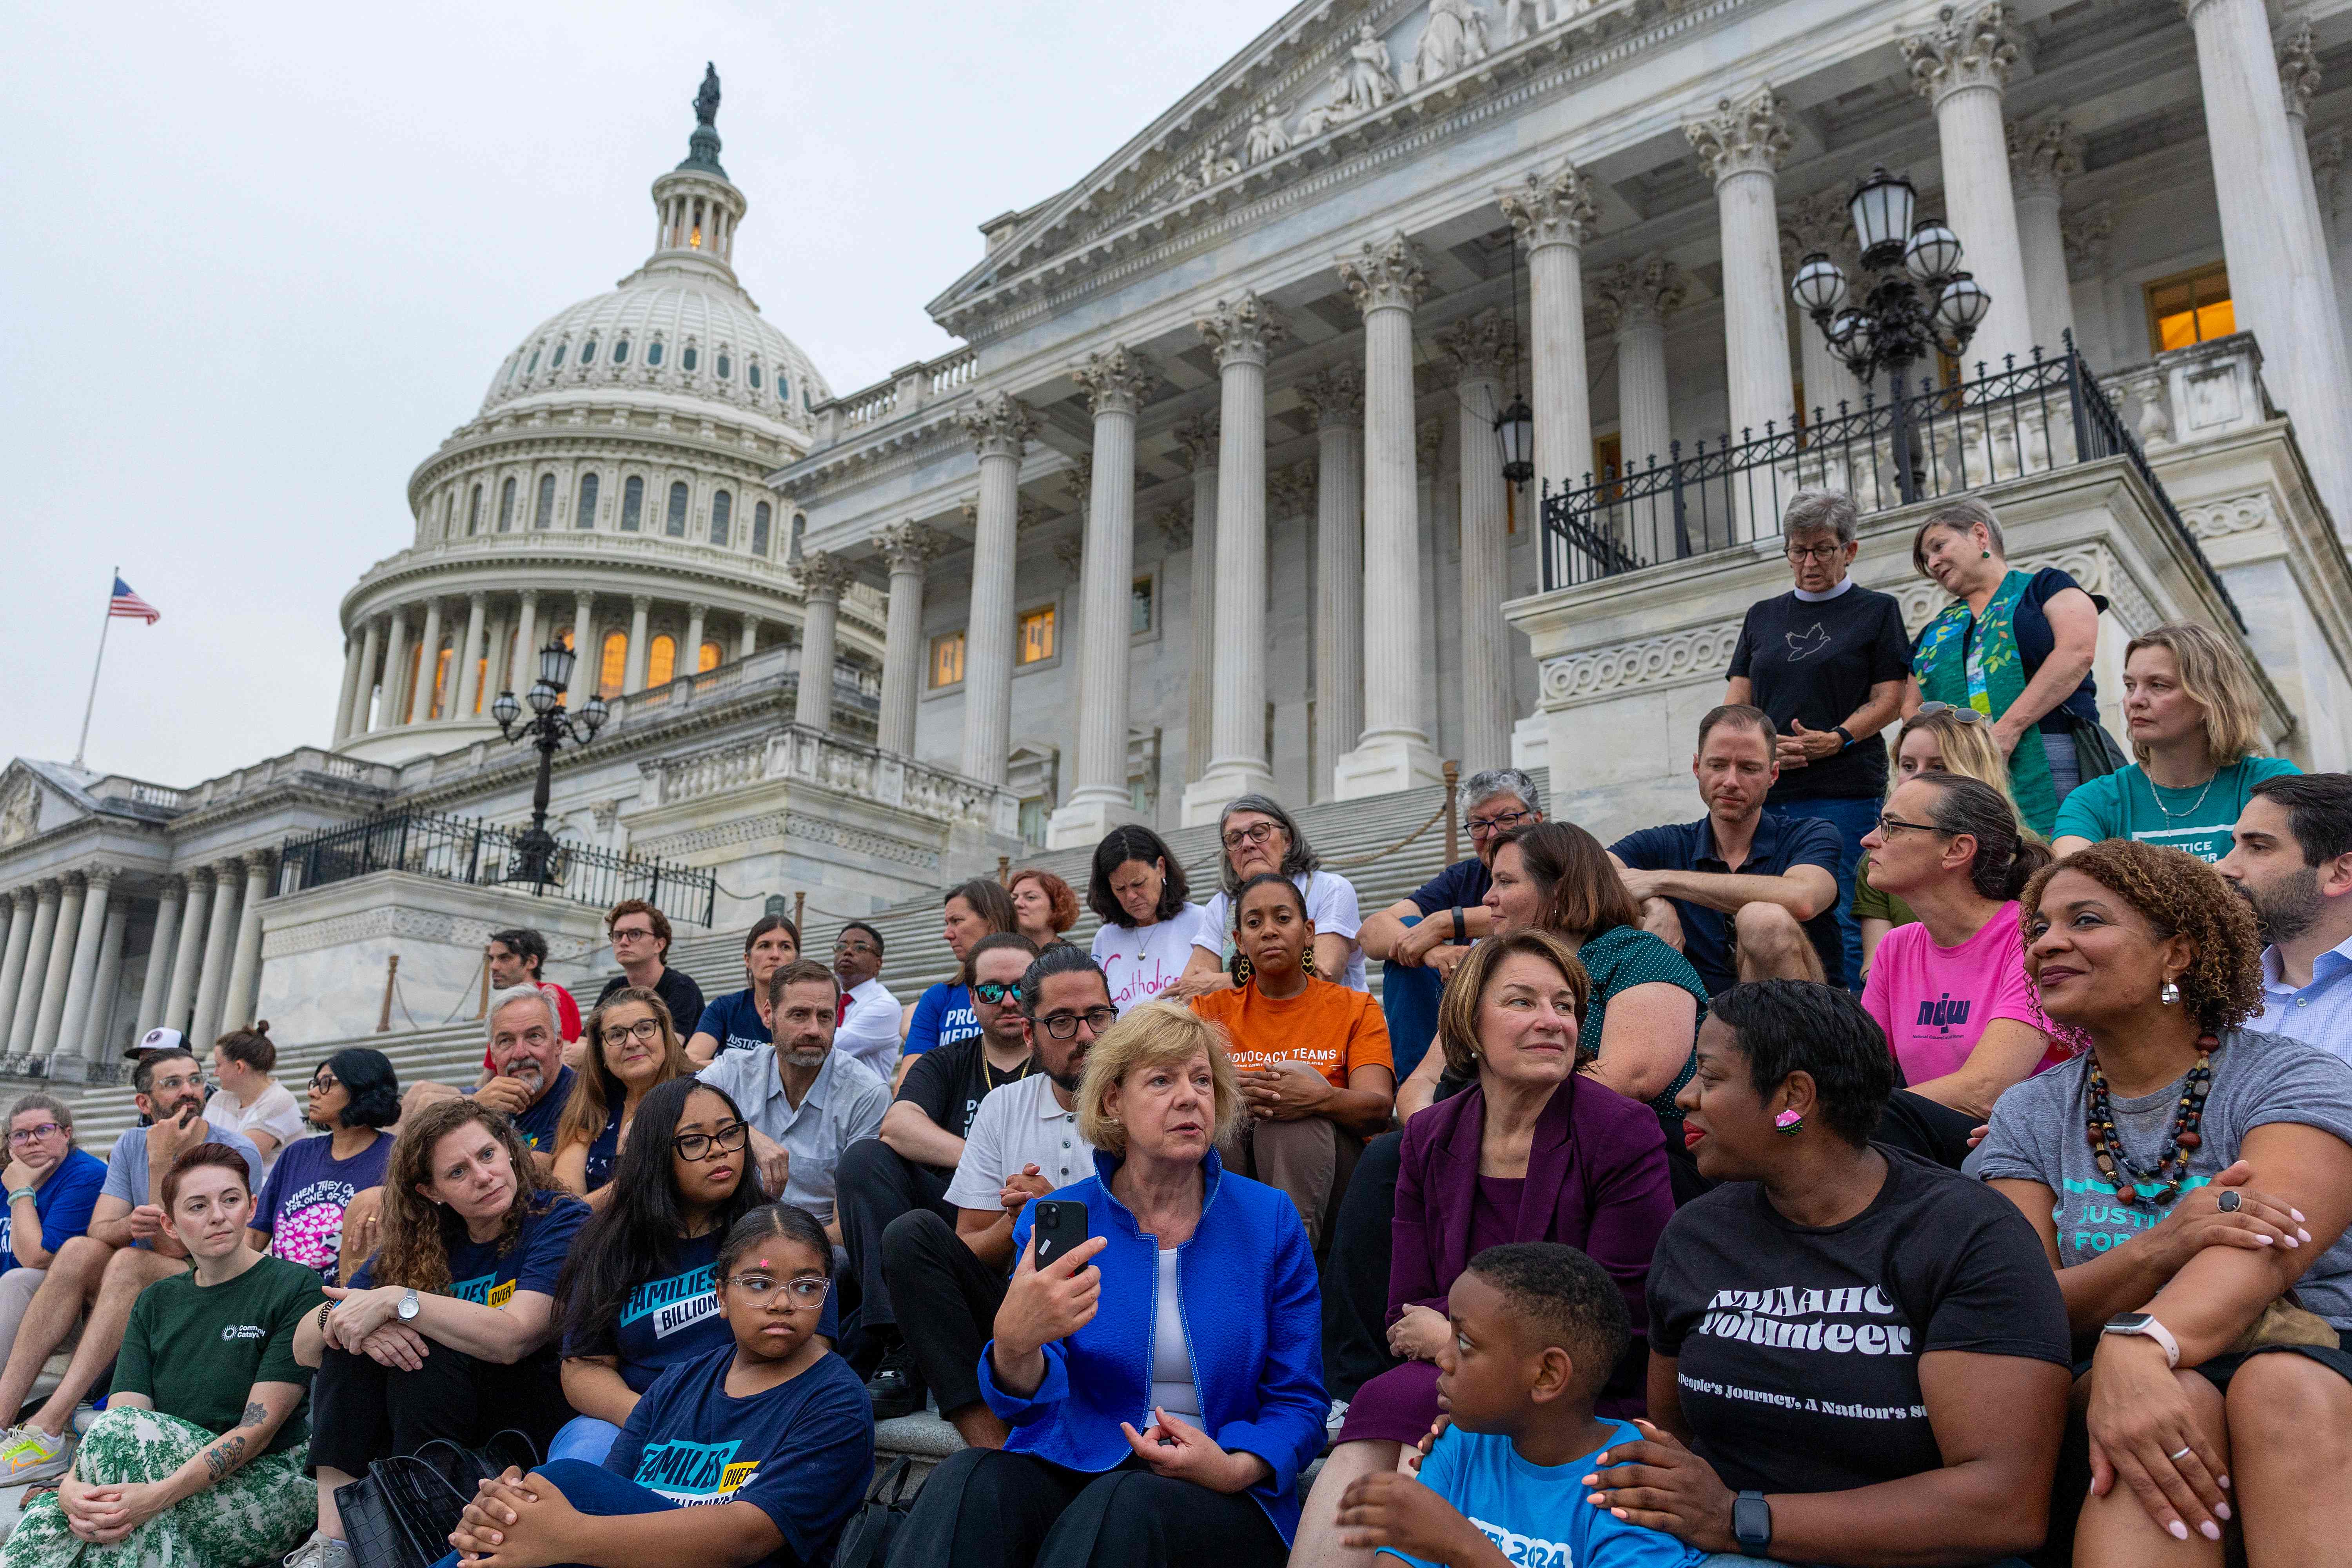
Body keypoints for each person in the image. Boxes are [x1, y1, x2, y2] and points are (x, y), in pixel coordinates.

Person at [1590, 980, 2070, 1566]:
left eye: (1711, 1077)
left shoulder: (1967, 1236)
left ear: (1795, 1098)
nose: (1686, 1097)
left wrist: (1740, 1518)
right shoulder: (1697, 1235)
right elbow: (1676, 1443)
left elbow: (2002, 1506)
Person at [1977, 840, 2352, 1564]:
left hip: (2313, 1357)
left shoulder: (2292, 1079)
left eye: (2085, 921)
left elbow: (2266, 1244)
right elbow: (2024, 1306)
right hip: (2113, 1382)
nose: (2047, 944)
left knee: (2279, 1384)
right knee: (2175, 1405)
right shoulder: (2029, 1112)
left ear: (2177, 954)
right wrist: (2162, 1247)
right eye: (2039, 930)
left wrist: (2143, 1341)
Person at [885, 1003, 1325, 1568]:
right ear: (1114, 1101)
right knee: (970, 1477)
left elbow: (1300, 1400)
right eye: (1162, 1080)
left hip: (1221, 1488)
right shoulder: (1061, 1218)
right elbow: (1028, 1405)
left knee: (1127, 1502)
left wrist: (1236, 1466)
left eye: (1201, 1080)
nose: (1189, 1097)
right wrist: (1015, 1349)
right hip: (1081, 1467)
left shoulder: (1268, 1219)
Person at [1294, 930, 1672, 1568]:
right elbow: (1404, 1312)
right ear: (1469, 1024)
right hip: (1454, 1384)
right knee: (1394, 1402)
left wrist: (1454, 1338)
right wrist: (1465, 1341)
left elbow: (1618, 1316)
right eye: (1523, 1002)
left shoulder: (1621, 1132)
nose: (1552, 1021)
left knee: (1409, 1399)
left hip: (1578, 1402)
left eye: (1565, 1005)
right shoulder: (1431, 1136)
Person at [444, 1206, 872, 1568]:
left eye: (806, 1286)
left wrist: (569, 1535)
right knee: (518, 1513)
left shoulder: (837, 1399)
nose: (783, 1302)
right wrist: (501, 1515)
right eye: (759, 1284)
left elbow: (750, 1535)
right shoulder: (679, 1382)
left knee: (564, 1482)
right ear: (721, 1296)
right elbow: (610, 1488)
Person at [291, 1098, 593, 1568]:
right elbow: (304, 1347)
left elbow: (515, 1337)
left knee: (421, 1344)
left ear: (510, 1151)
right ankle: (333, 1546)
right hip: (430, 1413)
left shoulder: (556, 1218)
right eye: (457, 1172)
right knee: (356, 1346)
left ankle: (426, 1535)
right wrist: (346, 1323)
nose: (483, 1176)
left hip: (526, 1412)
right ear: (430, 1191)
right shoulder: (427, 1239)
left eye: (488, 1154)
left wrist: (398, 1303)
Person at [0, 1145, 325, 1568]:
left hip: (265, 1483)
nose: (218, 1215)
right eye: (198, 1205)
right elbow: (122, 1419)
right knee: (87, 1515)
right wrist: (70, 1487)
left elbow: (257, 1431)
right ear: (170, 1224)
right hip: (161, 1473)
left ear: (252, 1206)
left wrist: (151, 1497)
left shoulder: (293, 1286)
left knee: (117, 1516)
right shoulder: (157, 1300)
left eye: (231, 1199)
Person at [1330, 1244, 1701, 1568]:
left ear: (1546, 1376)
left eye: (1464, 1343)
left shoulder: (1631, 1483)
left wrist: (1464, 1547)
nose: (1442, 1358)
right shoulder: (1459, 1445)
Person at [877, 945, 1110, 1449]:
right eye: (1063, 1022)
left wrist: (1057, 1212)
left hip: (1114, 1302)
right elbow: (971, 1246)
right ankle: (992, 1445)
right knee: (911, 1236)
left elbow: (1158, 1234)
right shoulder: (1003, 1106)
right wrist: (1019, 1222)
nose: (1087, 1035)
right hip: (1017, 1313)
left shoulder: (1143, 1100)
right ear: (1030, 1033)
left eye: (1097, 1016)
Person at [0, 1048, 263, 1484]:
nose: (188, 1091)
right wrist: (126, 1222)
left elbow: (175, 1246)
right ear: (145, 1102)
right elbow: (101, 1228)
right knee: (80, 1251)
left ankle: (47, 1429)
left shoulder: (234, 1149)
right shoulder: (128, 1143)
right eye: (172, 1083)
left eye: (195, 1080)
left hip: (216, 1285)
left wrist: (162, 1159)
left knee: (128, 1261)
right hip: (150, 1284)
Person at [549, 1078, 839, 1466]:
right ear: (655, 1153)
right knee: (582, 1458)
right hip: (634, 1418)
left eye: (728, 1133)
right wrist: (653, 1421)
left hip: (751, 1414)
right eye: (694, 1141)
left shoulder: (783, 1235)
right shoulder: (608, 1245)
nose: (719, 1150)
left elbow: (813, 1349)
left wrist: (719, 1420)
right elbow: (585, 1367)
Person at [841, 932, 1038, 1421]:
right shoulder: (947, 1061)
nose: (1009, 1000)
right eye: (992, 990)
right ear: (972, 999)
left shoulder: (1063, 1060)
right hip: (946, 1230)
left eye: (1022, 986)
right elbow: (899, 1124)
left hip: (1031, 1226)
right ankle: (903, 1342)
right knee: (865, 1159)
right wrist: (985, 1160)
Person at [1725, 490, 1913, 989]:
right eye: (1798, 550)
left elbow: (1891, 697)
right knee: (1762, 909)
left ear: (1849, 550)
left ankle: (1858, 1022)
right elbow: (1737, 702)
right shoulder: (1761, 616)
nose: (1809, 562)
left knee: (1849, 911)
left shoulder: (1877, 611)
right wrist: (1759, 749)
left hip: (1845, 789)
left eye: (1823, 549)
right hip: (1770, 791)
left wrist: (1839, 738)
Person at [1190, 874, 1393, 1249]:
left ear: (1310, 931)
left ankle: (1290, 1257)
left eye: (1283, 919)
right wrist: (1230, 1090)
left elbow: (1379, 1108)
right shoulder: (1207, 1012)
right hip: (1239, 1162)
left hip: (1333, 1179)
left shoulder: (1354, 1007)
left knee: (1292, 1100)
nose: (1269, 931)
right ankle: (1222, 1247)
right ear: (1239, 942)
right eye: (1254, 923)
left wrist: (1316, 1097)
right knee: (1216, 1098)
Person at [1857, 772, 2060, 1119]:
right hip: (1935, 1140)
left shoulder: (2031, 936)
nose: (1869, 840)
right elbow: (1857, 1073)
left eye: (1892, 827)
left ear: (1957, 850)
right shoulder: (1896, 947)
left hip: (2030, 1146)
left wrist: (1847, 1119)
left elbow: (1984, 1091)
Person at [1909, 495, 2109, 837]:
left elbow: (2076, 652)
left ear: (1980, 535)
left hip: (2052, 752)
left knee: (2064, 859)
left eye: (1938, 547)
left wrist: (2008, 730)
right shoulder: (1933, 632)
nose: (1933, 562)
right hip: (1964, 770)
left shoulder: (2046, 587)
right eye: (1927, 558)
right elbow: (1910, 707)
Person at [1609, 705, 1844, 995]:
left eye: (1748, 768)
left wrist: (1662, 882)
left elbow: (1804, 899)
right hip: (1703, 1027)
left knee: (1763, 921)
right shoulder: (1666, 843)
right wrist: (1655, 904)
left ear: (1773, 774)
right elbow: (1587, 873)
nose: (1730, 782)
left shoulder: (1811, 834)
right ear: (1697, 768)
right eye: (1718, 765)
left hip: (1811, 1017)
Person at [2053, 620, 2298, 863]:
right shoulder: (2095, 801)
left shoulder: (2271, 784)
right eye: (2130, 686)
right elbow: (2068, 884)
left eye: (2158, 686)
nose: (2135, 700)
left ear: (2210, 699)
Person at [1359, 769, 1543, 1079]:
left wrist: (1445, 922)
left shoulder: (1563, 859)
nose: (1493, 834)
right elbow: (1371, 930)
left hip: (1538, 996)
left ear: (1537, 819)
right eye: (1479, 825)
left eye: (1507, 819)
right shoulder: (1465, 876)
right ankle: (1420, 1094)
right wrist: (1431, 951)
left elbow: (1544, 908)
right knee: (1406, 958)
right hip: (1472, 1006)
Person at [697, 960, 890, 1243]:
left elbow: (847, 1230)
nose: (814, 1030)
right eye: (799, 1015)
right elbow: (676, 1107)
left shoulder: (866, 1094)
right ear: (768, 1015)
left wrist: (771, 1252)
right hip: (729, 1235)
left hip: (816, 1248)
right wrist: (744, 1133)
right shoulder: (734, 1071)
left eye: (825, 1017)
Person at [1853, 702, 2030, 973]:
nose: (1918, 778)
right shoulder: (1879, 856)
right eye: (1908, 765)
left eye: (1938, 767)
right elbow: (1873, 969)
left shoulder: (2027, 856)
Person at [1176, 793, 1367, 995]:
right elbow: (1191, 989)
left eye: (1259, 833)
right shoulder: (1221, 905)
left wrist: (1221, 982)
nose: (1247, 845)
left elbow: (1320, 976)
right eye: (1235, 839)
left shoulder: (1330, 889)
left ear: (1288, 841)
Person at [2220, 771, 2352, 1059]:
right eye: (2235, 845)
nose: (2224, 867)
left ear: (2341, 873)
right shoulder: (2222, 994)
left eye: (2258, 847)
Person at [248, 1048, 399, 1286]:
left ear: (362, 1088)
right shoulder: (297, 1154)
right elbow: (256, 1234)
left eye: (327, 1084)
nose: (312, 1093)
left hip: (349, 1302)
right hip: (282, 1296)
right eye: (315, 1083)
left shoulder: (396, 1157)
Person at [406, 985, 581, 1157]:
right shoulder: (495, 1095)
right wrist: (477, 1104)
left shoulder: (578, 1097)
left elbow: (536, 1174)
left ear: (558, 1043)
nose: (520, 1053)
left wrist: (474, 1110)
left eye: (534, 1036)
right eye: (506, 1041)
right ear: (493, 1054)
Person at [0, 1096, 103, 1387]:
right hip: (11, 1310)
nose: (32, 1141)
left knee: (17, 1280)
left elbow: (36, 1258)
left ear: (66, 1134)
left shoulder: (86, 1176)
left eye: (43, 1130)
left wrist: (21, 1192)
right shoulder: (6, 1176)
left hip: (68, 1312)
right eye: (21, 1135)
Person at [555, 987, 694, 1199]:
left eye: (645, 1028)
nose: (632, 1043)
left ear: (666, 1037)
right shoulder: (594, 1106)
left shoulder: (696, 1097)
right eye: (617, 1035)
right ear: (601, 1053)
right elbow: (566, 1203)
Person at [1086, 825, 1209, 1014]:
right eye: (1120, 889)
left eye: (1139, 884)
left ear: (1161, 868)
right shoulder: (1105, 937)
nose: (1131, 896)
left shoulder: (1201, 920)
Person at [904, 878, 1021, 1060]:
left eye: (957, 921)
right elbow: (910, 1080)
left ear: (992, 923)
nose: (947, 934)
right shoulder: (938, 998)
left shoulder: (1039, 988)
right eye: (947, 924)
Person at [685, 915, 801, 1068]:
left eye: (785, 947)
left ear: (797, 960)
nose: (775, 955)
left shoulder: (808, 1011)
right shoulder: (724, 1008)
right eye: (765, 946)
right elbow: (689, 1063)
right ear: (748, 960)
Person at [478, 927, 584, 1076]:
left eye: (504, 958)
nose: (494, 966)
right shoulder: (505, 1008)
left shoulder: (549, 996)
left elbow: (563, 1061)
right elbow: (486, 1080)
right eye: (492, 959)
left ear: (531, 962)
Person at [204, 1019, 306, 1171]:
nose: (215, 1073)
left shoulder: (279, 1101)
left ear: (239, 1067)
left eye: (219, 1065)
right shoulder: (219, 1099)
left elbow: (238, 1162)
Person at [598, 898, 706, 1040]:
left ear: (659, 945)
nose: (623, 942)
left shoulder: (682, 988)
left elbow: (668, 1048)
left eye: (635, 934)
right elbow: (584, 1043)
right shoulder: (614, 988)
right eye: (618, 935)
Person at [830, 921, 901, 1075]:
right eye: (841, 947)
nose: (848, 951)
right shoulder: (828, 998)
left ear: (878, 964)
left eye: (860, 948)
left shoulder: (885, 1006)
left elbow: (830, 1046)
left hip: (862, 1099)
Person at [1010, 868, 1080, 949]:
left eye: (1031, 897)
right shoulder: (1001, 953)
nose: (1017, 903)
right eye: (1014, 898)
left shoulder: (1071, 959)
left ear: (1057, 906)